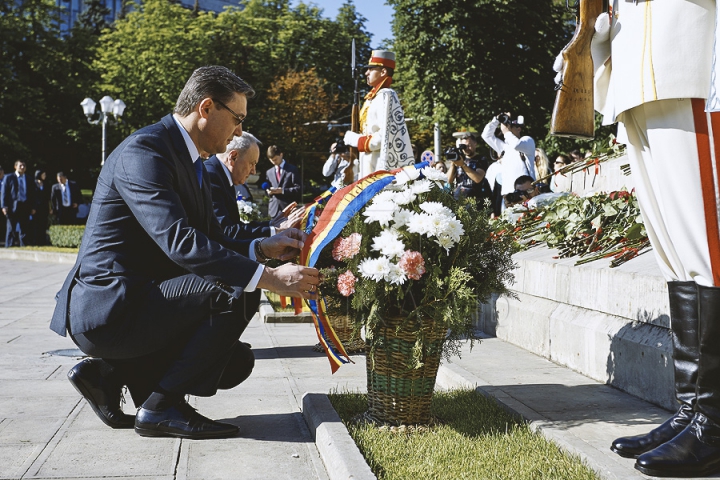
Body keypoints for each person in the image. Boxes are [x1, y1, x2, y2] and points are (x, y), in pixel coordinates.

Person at [49, 65, 320, 440]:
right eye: (237, 118)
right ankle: (159, 408)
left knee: (235, 361)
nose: (239, 130)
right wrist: (270, 278)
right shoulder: (145, 151)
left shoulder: (191, 161)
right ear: (206, 108)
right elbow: (179, 240)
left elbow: (213, 237)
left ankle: (111, 375)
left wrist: (262, 247)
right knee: (238, 289)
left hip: (143, 298)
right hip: (111, 311)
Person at [565, 2, 720, 476]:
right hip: (636, 77)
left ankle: (713, 425)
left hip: (690, 62)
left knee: (706, 253)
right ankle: (694, 412)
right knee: (675, 257)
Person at [205, 132, 302, 240]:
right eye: (252, 163)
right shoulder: (211, 177)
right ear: (233, 157)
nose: (253, 171)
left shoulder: (221, 175)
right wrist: (275, 230)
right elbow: (227, 231)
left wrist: (272, 224)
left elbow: (235, 226)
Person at [343, 50, 414, 178]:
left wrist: (357, 140)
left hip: (379, 164)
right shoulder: (373, 98)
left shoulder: (386, 95)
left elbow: (385, 136)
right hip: (368, 162)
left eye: (371, 69)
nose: (366, 73)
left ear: (383, 72)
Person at [481, 113, 536, 208]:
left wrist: (506, 132)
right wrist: (496, 120)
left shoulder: (527, 141)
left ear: (519, 128)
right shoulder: (504, 147)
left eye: (510, 126)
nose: (507, 128)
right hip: (508, 196)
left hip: (526, 193)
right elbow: (486, 135)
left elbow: (516, 145)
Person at [446, 130, 492, 210]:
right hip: (458, 201)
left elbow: (478, 178)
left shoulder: (481, 159)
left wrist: (463, 165)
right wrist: (453, 163)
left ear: (475, 144)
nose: (466, 148)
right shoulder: (459, 159)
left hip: (475, 202)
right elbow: (448, 180)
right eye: (464, 146)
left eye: (469, 145)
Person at [1, 160, 36, 247]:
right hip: (12, 206)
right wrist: (4, 206)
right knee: (11, 228)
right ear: (15, 166)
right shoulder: (9, 177)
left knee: (24, 228)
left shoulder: (29, 179)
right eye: (20, 165)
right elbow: (4, 192)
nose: (22, 167)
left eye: (24, 165)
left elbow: (32, 194)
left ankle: (24, 246)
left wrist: (33, 207)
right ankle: (9, 246)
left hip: (25, 206)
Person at [264, 145, 301, 222]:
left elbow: (298, 189)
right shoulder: (269, 172)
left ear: (281, 155)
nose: (274, 162)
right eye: (271, 160)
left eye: (275, 159)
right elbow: (267, 188)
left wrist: (283, 191)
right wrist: (268, 192)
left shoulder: (292, 169)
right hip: (273, 210)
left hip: (288, 208)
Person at [33, 169, 51, 245]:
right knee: (36, 225)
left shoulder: (45, 184)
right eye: (43, 174)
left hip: (44, 208)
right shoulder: (33, 184)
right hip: (36, 208)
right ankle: (36, 241)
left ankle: (42, 241)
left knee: (43, 224)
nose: (45, 176)